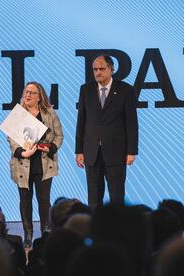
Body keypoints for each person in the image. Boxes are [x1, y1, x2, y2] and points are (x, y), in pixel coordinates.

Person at [75, 55, 138, 208]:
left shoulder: (125, 90)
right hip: (91, 151)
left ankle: (116, 230)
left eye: (102, 69)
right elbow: (81, 121)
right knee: (94, 198)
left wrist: (131, 151)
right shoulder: (86, 90)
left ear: (111, 69)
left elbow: (131, 123)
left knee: (116, 196)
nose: (98, 72)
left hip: (116, 151)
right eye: (95, 69)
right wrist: (79, 151)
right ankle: (96, 229)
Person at [8, 81, 63, 248]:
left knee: (44, 200)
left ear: (40, 97)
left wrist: (50, 147)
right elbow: (11, 139)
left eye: (32, 93)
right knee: (25, 200)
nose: (28, 95)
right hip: (23, 163)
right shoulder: (18, 114)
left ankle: (46, 232)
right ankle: (28, 234)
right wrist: (22, 152)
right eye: (26, 92)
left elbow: (59, 136)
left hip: (44, 164)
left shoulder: (49, 113)